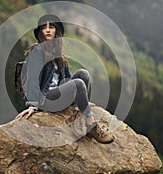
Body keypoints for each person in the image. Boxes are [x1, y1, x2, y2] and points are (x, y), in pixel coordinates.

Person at [15, 14, 114, 144]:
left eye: (51, 27)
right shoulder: (38, 52)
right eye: (44, 28)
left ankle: (79, 113)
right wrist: (33, 106)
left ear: (57, 30)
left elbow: (68, 79)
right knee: (78, 84)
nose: (48, 30)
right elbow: (32, 81)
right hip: (45, 99)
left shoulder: (57, 52)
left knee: (83, 74)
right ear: (41, 32)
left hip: (58, 95)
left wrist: (79, 96)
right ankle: (91, 124)